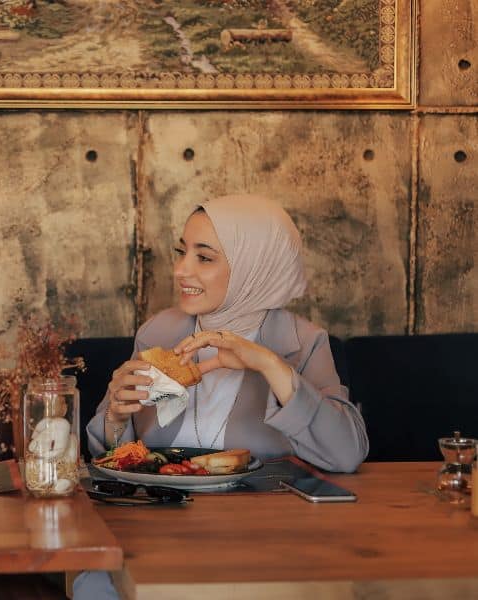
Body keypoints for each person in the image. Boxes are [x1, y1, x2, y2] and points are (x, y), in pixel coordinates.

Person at [74, 194, 369, 599]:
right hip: (157, 532)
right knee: (97, 587)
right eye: (182, 252)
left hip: (266, 544)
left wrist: (268, 364)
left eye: (204, 257)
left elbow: (346, 453)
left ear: (255, 265)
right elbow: (111, 456)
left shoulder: (301, 343)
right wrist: (116, 420)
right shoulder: (158, 334)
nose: (181, 270)